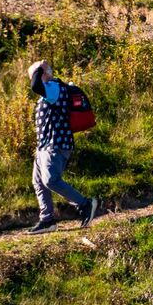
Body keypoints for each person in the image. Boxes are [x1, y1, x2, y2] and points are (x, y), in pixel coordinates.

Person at [26, 60, 98, 233]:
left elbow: (35, 86)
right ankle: (47, 220)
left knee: (51, 180)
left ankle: (85, 204)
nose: (32, 78)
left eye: (34, 74)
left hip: (56, 143)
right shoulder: (51, 90)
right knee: (39, 182)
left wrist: (39, 70)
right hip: (44, 145)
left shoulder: (53, 87)